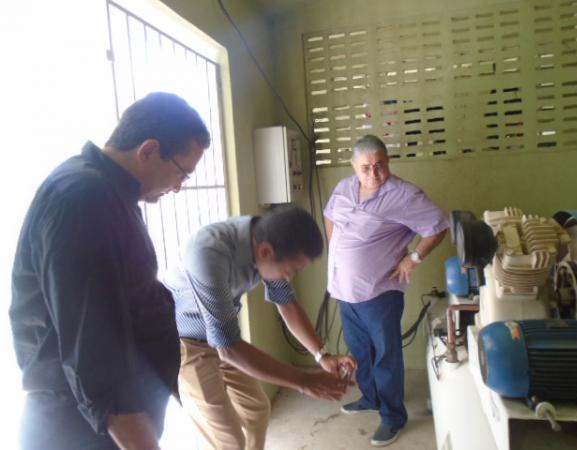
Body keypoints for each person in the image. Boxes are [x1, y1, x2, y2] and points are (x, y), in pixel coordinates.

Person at [10, 92, 210, 450]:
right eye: (182, 172)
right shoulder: (82, 198)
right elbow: (93, 350)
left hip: (101, 418)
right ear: (148, 150)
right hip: (80, 426)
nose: (179, 186)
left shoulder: (106, 192)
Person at [164, 205, 356, 450]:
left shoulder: (263, 235)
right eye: (291, 270)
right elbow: (230, 349)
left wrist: (322, 355)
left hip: (221, 337)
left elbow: (286, 304)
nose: (289, 277)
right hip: (183, 343)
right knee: (228, 439)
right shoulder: (208, 254)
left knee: (256, 409)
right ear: (265, 251)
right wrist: (305, 381)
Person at [324, 135, 449, 448]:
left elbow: (439, 224)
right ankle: (370, 397)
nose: (374, 173)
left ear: (388, 162)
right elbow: (329, 215)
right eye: (366, 167)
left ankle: (393, 417)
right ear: (354, 166)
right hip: (344, 290)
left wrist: (414, 257)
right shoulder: (344, 188)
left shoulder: (403, 195)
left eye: (380, 165)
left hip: (379, 292)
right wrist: (338, 250)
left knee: (386, 356)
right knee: (360, 351)